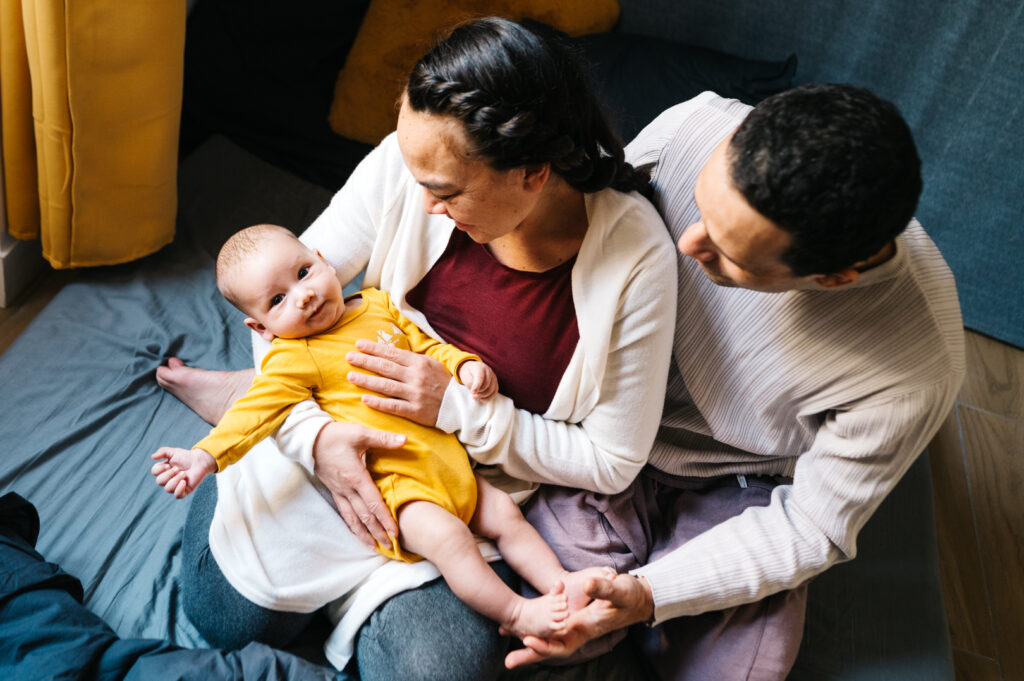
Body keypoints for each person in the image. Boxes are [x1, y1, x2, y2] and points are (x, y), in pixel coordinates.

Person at [155, 17, 677, 680]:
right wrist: (318, 441)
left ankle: (249, 419)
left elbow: (612, 460)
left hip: (447, 486)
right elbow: (280, 311)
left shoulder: (635, 264)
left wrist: (455, 408)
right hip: (339, 421)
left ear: (532, 173)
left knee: (447, 669)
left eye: (448, 191)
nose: (422, 201)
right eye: (415, 176)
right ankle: (244, 412)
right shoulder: (414, 165)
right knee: (231, 617)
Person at [506, 84, 966, 680]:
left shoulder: (914, 366)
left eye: (727, 255)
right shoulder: (691, 128)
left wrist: (649, 594)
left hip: (737, 481)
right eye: (700, 208)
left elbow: (811, 524)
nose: (684, 243)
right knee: (551, 613)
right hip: (603, 421)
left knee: (742, 668)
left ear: (832, 278)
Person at [151, 223, 610, 641]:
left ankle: (558, 583)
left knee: (507, 518)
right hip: (402, 490)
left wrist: (463, 366)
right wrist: (205, 457)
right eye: (277, 301)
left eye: (304, 272)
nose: (303, 296)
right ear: (261, 328)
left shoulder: (377, 304)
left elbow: (427, 346)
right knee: (451, 542)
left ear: (322, 258)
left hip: (450, 465)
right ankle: (514, 612)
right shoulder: (293, 358)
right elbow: (253, 415)